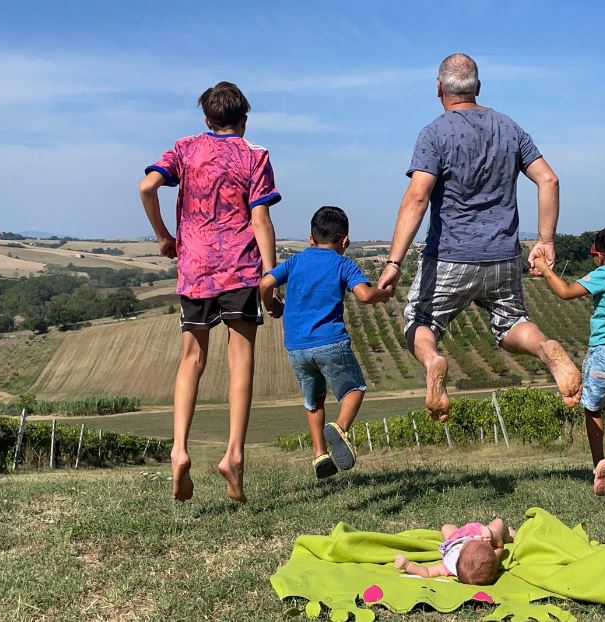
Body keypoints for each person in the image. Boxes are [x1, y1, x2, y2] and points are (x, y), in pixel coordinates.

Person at [377, 53, 581, 422]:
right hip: (503, 257)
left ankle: (434, 360)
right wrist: (546, 241)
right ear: (478, 88)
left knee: (419, 322)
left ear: (439, 88)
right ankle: (546, 348)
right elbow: (549, 179)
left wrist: (394, 261)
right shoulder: (510, 128)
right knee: (512, 323)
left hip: (450, 258)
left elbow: (418, 196)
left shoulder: (434, 133)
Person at [139, 81, 281, 502]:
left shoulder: (184, 149)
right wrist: (270, 278)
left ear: (206, 119)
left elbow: (147, 187)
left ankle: (179, 450)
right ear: (244, 118)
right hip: (239, 268)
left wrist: (165, 235)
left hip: (195, 268)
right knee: (241, 360)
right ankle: (233, 455)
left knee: (191, 358)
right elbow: (261, 222)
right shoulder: (255, 156)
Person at [259, 206, 394, 479]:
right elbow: (365, 296)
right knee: (354, 389)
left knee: (314, 400)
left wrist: (272, 303)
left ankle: (319, 454)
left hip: (297, 347)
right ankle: (340, 427)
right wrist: (385, 293)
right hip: (331, 342)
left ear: (311, 238)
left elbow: (264, 283)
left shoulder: (295, 262)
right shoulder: (343, 263)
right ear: (345, 240)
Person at [532, 226, 605, 500]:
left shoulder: (602, 274)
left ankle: (600, 467)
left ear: (601, 256)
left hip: (604, 353)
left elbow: (565, 292)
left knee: (593, 409)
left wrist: (544, 268)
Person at [394, 518, 515, 585]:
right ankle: (509, 535)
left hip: (456, 538)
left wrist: (408, 565)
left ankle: (457, 530)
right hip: (484, 532)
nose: (475, 539)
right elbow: (499, 546)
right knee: (498, 522)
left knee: (446, 527)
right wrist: (491, 535)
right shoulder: (492, 556)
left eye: (466, 546)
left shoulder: (450, 567)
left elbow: (427, 572)